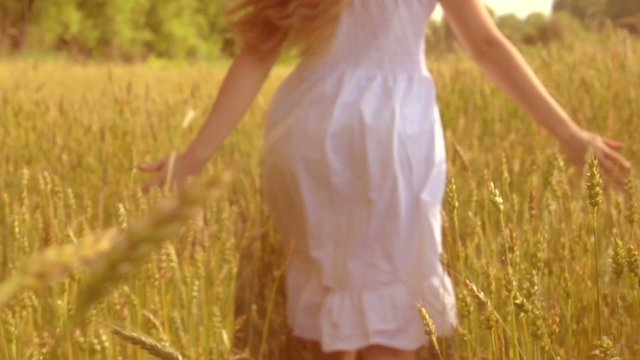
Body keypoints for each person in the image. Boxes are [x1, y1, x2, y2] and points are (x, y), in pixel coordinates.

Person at [139, 0, 633, 359]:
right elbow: (484, 45)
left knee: (336, 288)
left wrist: (192, 158)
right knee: (389, 307)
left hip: (308, 129)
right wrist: (567, 132)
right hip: (392, 131)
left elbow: (256, 55)